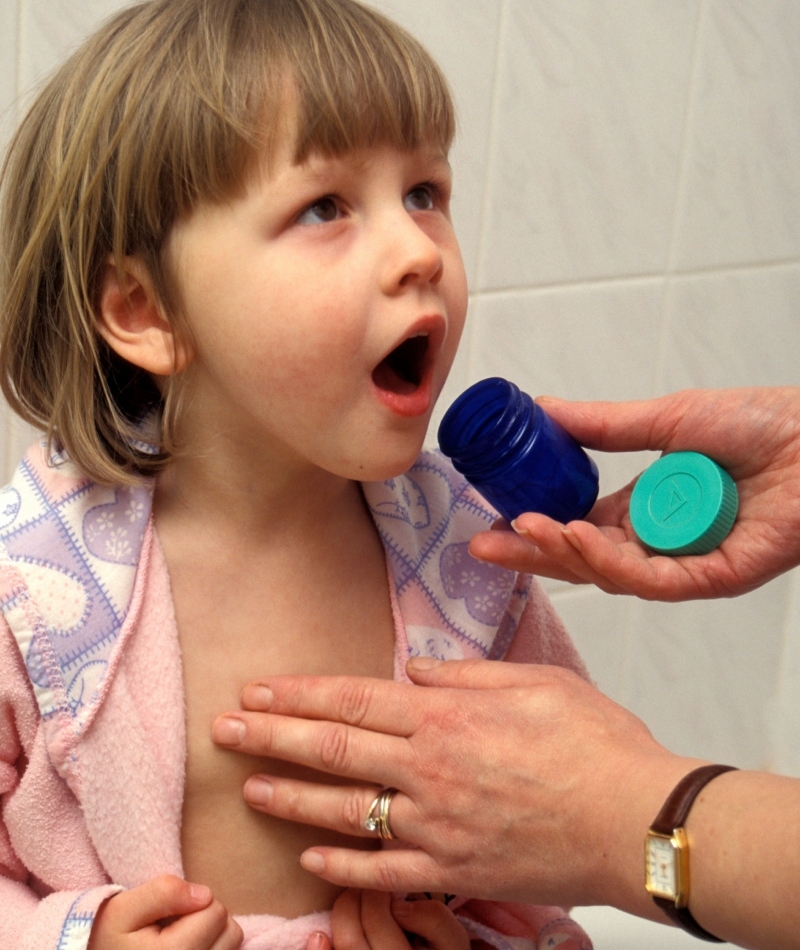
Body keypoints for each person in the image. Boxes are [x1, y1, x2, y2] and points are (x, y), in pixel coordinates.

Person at [0, 1, 595, 949]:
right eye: (326, 207)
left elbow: (563, 825)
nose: (418, 253)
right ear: (148, 310)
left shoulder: (469, 558)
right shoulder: (37, 585)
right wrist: (75, 937)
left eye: (425, 193)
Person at [211, 386, 800, 950]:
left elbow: (515, 889)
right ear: (141, 314)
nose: (425, 272)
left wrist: (605, 819)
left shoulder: (452, 540)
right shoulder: (119, 579)